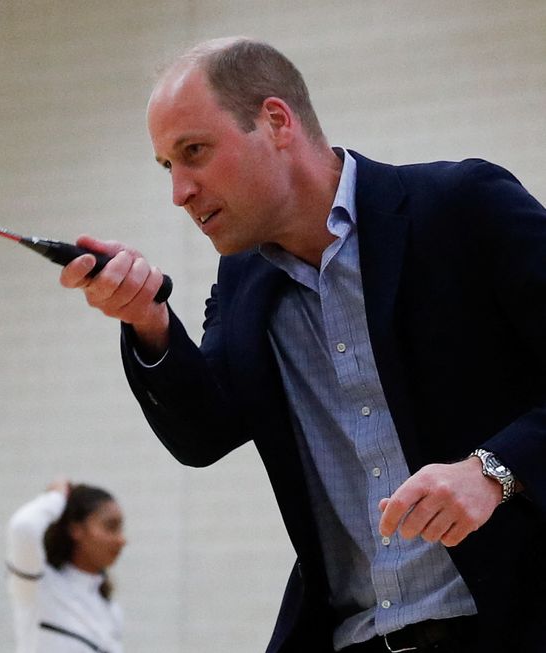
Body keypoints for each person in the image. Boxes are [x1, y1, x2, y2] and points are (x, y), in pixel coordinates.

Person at [59, 37, 546, 653]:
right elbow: (204, 434)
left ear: (276, 122)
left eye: (195, 152)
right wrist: (147, 321)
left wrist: (494, 472)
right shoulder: (243, 280)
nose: (180, 191)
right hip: (351, 639)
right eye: (167, 166)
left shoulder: (460, 207)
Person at [6, 478, 125, 653]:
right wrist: (55, 498)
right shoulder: (39, 586)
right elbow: (23, 527)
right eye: (110, 527)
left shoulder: (110, 609)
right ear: (76, 529)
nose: (122, 540)